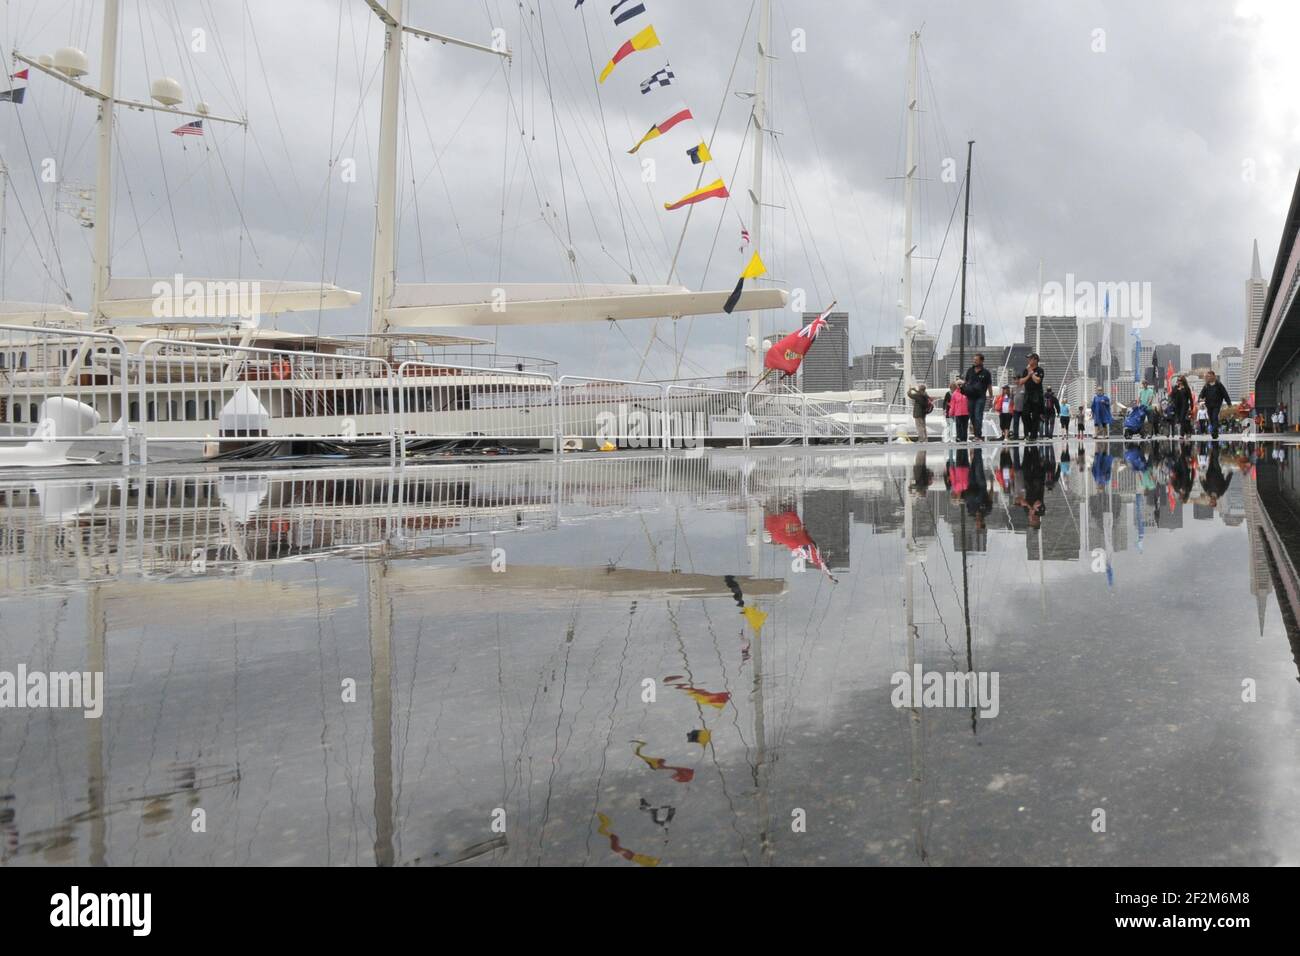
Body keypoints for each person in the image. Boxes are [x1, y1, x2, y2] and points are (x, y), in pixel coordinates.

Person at [962, 353, 994, 442]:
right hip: (970, 397)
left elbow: (989, 385)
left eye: (976, 359)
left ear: (982, 361)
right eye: (974, 359)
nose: (974, 361)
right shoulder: (970, 371)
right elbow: (965, 382)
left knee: (978, 416)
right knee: (972, 416)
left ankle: (978, 436)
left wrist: (991, 398)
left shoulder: (986, 373)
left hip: (980, 397)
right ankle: (976, 434)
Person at [1016, 353, 1045, 441]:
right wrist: (1028, 374)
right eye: (1028, 359)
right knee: (1025, 414)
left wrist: (1031, 373)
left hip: (1037, 394)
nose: (1028, 360)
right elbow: (1020, 382)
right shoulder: (1026, 370)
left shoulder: (1040, 370)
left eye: (1030, 359)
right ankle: (1029, 430)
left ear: (1035, 360)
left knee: (1036, 415)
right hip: (1028, 394)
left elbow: (1037, 381)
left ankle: (1033, 435)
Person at [1198, 370, 1231, 441]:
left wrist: (1229, 403)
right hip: (1209, 405)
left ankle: (1213, 431)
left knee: (1215, 417)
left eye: (1210, 376)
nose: (1208, 377)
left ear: (1214, 376)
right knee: (1211, 419)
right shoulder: (1206, 386)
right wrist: (1200, 399)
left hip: (1217, 404)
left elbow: (1225, 394)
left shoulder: (1219, 384)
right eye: (1208, 376)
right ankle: (1215, 432)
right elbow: (1201, 394)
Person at [949, 377, 971, 442]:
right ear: (956, 385)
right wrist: (951, 413)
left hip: (966, 413)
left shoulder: (967, 392)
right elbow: (952, 405)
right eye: (958, 384)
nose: (959, 385)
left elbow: (970, 402)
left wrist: (971, 411)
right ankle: (958, 437)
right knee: (958, 426)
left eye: (961, 384)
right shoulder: (954, 394)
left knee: (965, 426)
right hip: (958, 413)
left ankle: (964, 438)